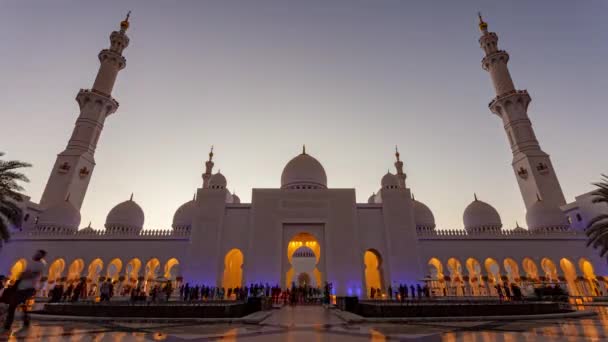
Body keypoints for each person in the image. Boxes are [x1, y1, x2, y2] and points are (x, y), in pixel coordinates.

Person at [3, 250, 46, 332]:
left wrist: (25, 274)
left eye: (39, 254)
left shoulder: (41, 264)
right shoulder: (31, 262)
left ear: (42, 256)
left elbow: (30, 275)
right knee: (21, 304)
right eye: (36, 253)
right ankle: (26, 319)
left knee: (13, 304)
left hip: (29, 288)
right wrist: (24, 274)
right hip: (21, 287)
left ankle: (8, 324)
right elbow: (24, 274)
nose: (36, 255)